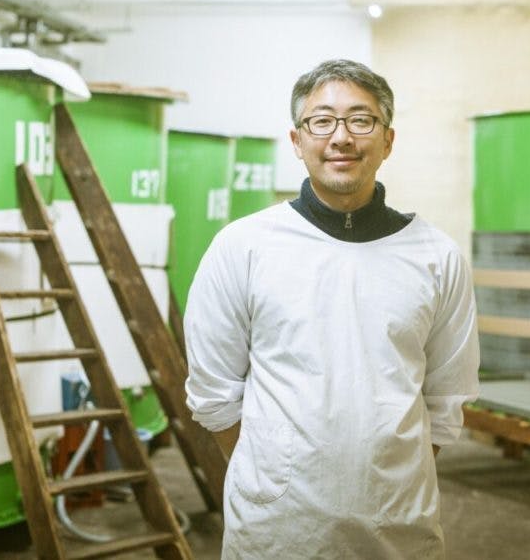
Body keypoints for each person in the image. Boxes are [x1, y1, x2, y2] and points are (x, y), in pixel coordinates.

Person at [184, 58, 480, 559]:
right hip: (275, 529)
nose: (341, 137)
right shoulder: (244, 247)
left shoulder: (436, 256)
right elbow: (214, 393)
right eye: (321, 121)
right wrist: (270, 471)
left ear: (388, 140)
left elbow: (447, 398)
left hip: (397, 527)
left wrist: (388, 476)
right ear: (297, 141)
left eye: (361, 120)